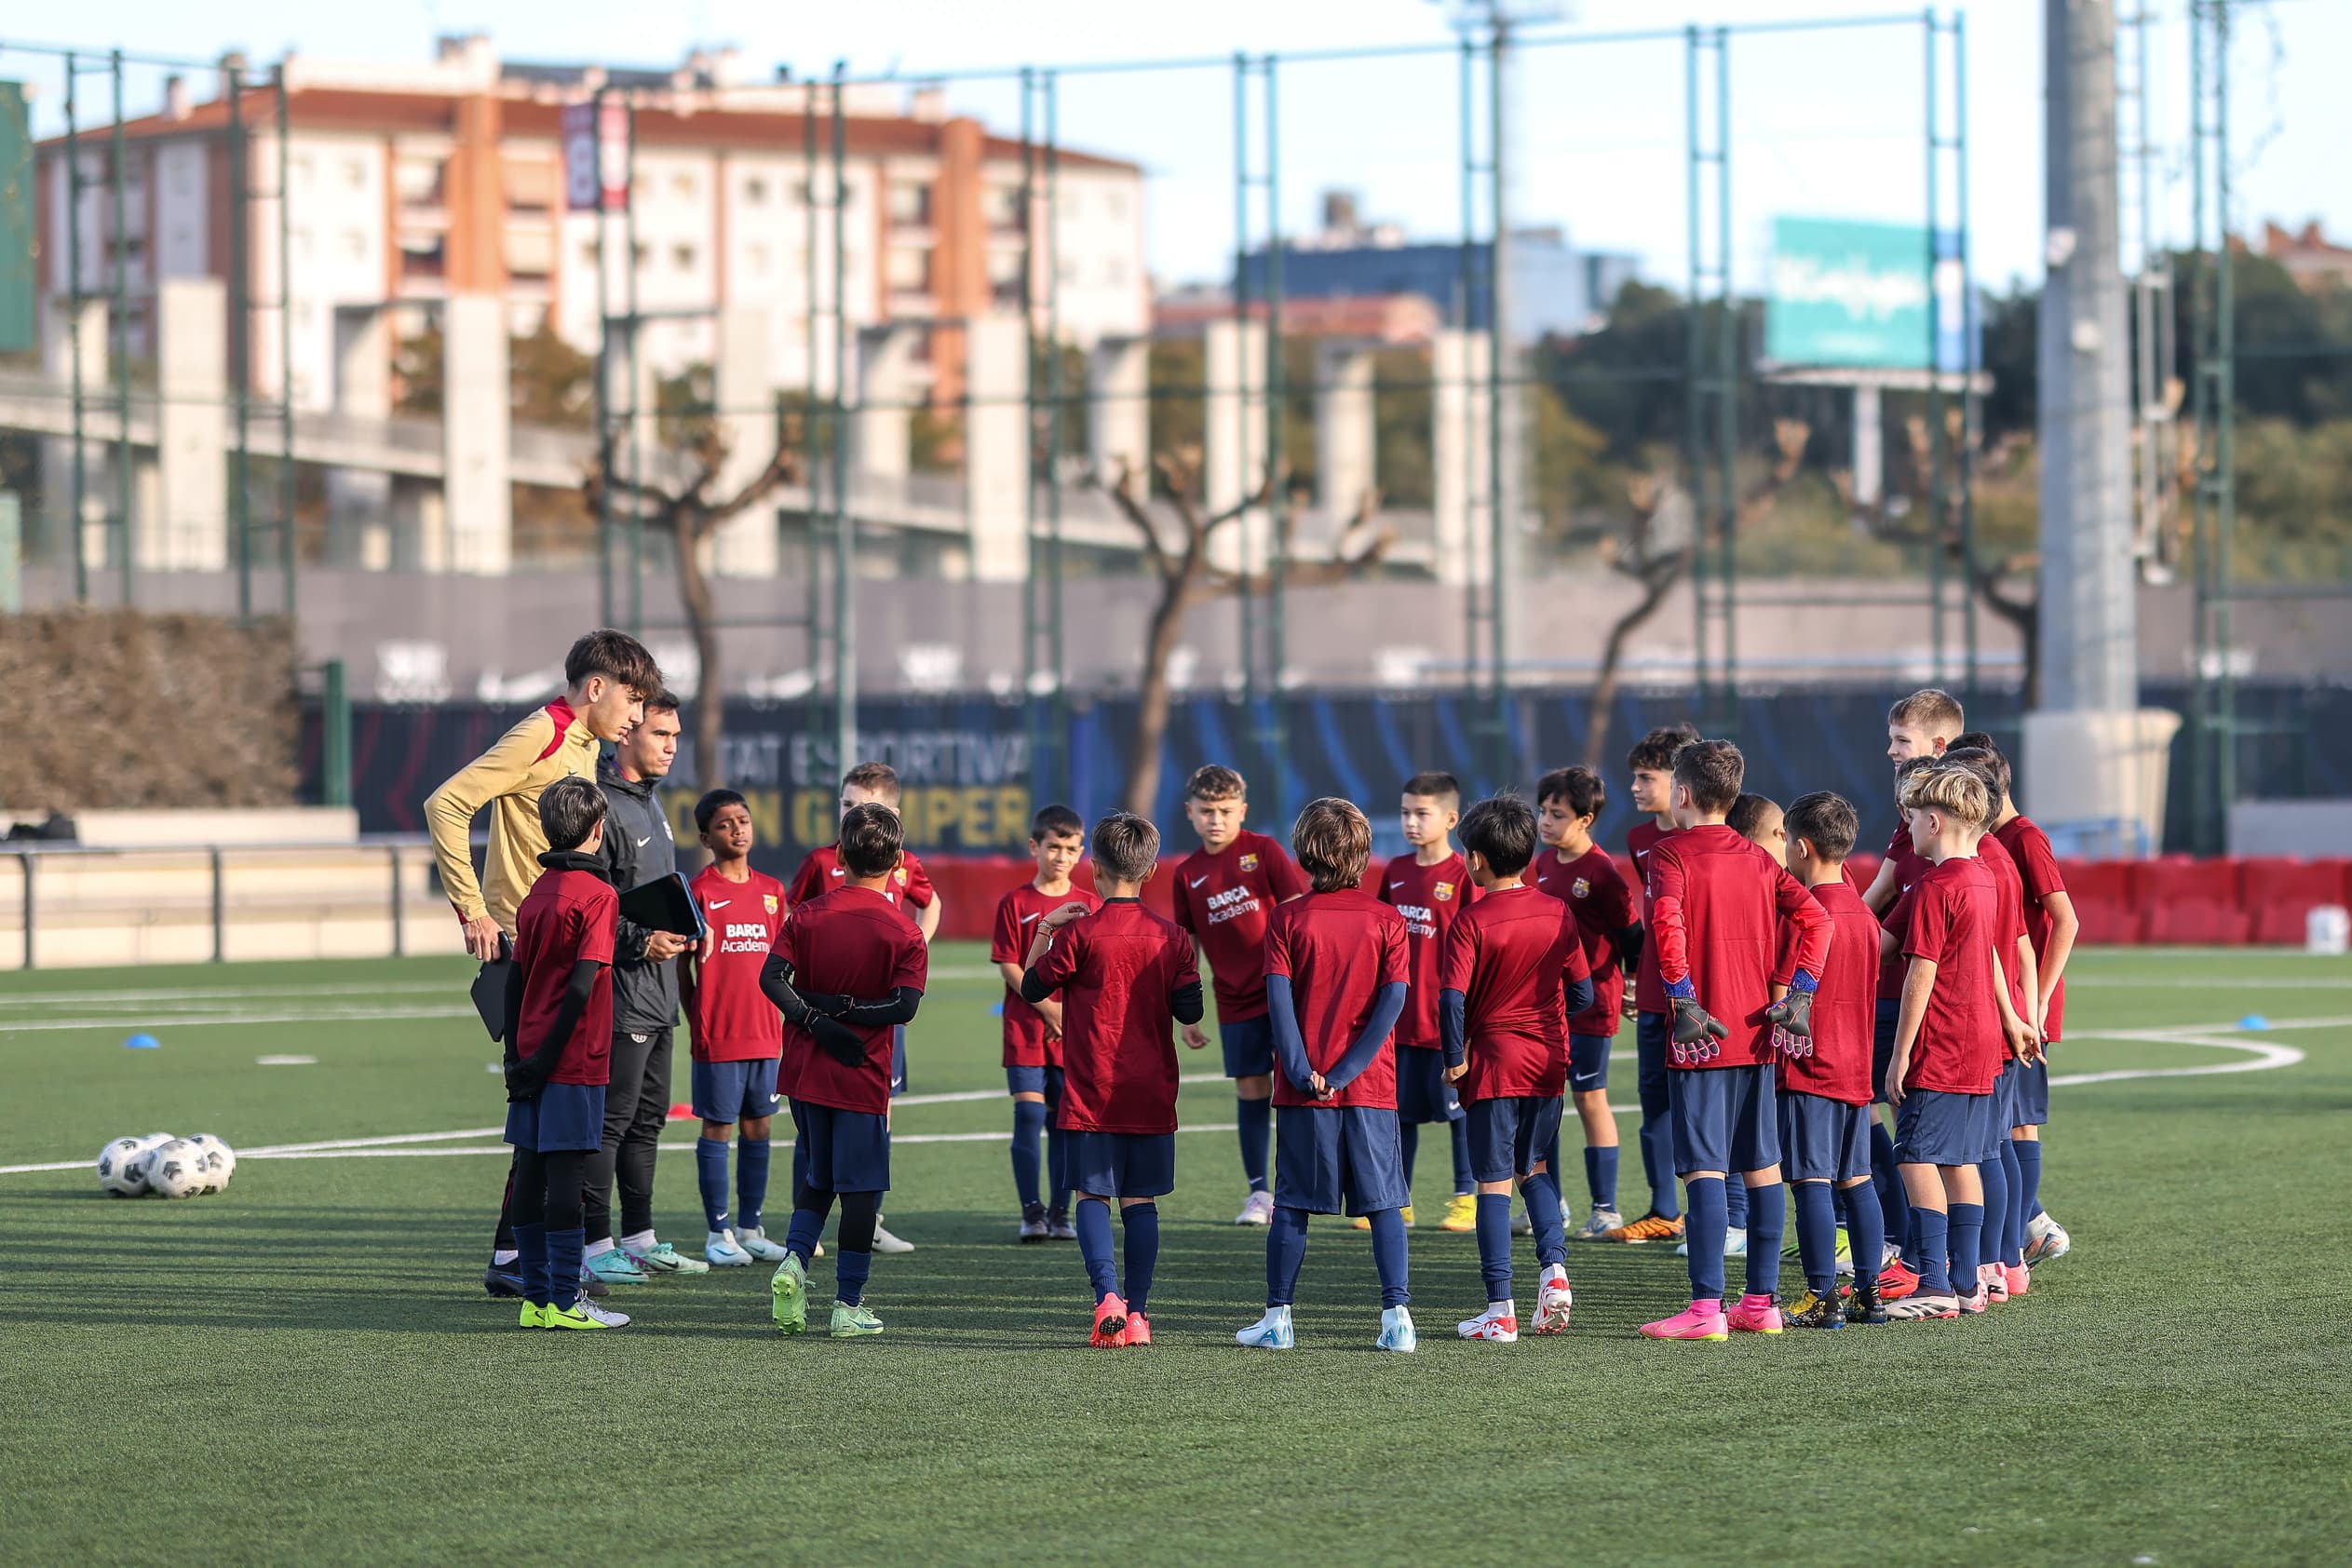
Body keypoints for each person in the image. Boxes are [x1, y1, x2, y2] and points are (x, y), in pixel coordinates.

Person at [426, 628, 660, 1300]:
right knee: (552, 1101)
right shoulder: (543, 735)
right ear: (595, 688)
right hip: (528, 946)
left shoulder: (585, 746)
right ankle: (531, 1262)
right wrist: (472, 908)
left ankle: (513, 1255)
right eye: (632, 698)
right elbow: (445, 803)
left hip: (565, 937)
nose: (638, 716)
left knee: (549, 1107)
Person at [1637, 739, 1830, 1342]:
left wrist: (1682, 996)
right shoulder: (1758, 858)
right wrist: (1800, 992)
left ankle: (1704, 1311)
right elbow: (1816, 920)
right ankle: (1761, 1305)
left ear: (1685, 793)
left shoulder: (1669, 853)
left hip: (1701, 1038)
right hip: (1756, 1033)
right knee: (1762, 1170)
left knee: (1703, 1172)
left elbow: (1666, 925)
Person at [1021, 812, 1206, 1348]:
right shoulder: (1172, 938)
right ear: (1149, 872)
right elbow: (1190, 1008)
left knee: (1092, 1196)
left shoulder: (1080, 934)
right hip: (1151, 1090)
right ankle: (1141, 1314)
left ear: (1094, 868)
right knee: (1141, 1201)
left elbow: (1033, 988)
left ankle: (1107, 1297)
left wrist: (1045, 930)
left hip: (1091, 1090)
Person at [1237, 799, 1416, 1353]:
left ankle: (1278, 1320)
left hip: (1302, 1089)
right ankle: (1397, 1319)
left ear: (1303, 853)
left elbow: (1278, 1001)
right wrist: (1345, 1071)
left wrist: (1302, 1069)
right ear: (1363, 854)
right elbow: (1392, 1003)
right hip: (1369, 1086)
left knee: (1292, 1203)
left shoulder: (1286, 918)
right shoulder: (1387, 919)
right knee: (1386, 1201)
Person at [762, 803, 929, 1338]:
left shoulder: (806, 915)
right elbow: (903, 1008)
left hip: (808, 1072)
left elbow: (772, 979)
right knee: (859, 1191)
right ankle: (847, 1305)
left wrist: (813, 1015)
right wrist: (852, 1014)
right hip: (862, 1074)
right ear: (899, 861)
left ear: (839, 855)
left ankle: (793, 1263)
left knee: (818, 1176)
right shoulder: (904, 931)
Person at [1882, 763, 2039, 1322]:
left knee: (1917, 1154)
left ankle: (1934, 1282)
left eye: (1913, 820)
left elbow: (1920, 974)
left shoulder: (1937, 886)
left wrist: (1900, 1055)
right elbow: (1993, 956)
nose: (1908, 831)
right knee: (1963, 1159)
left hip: (1943, 1040)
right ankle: (1969, 1280)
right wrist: (2013, 1019)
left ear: (1933, 820)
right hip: (1981, 1042)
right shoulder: (1983, 877)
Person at [1440, 796, 1596, 1344]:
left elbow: (1452, 1000)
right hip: (1549, 1062)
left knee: (1492, 1183)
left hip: (1493, 1065)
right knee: (1537, 1169)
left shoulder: (1470, 920)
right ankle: (1555, 1273)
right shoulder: (1557, 911)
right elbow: (1582, 991)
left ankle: (1499, 1308)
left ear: (1477, 860)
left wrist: (1454, 1058)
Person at [786, 762, 939, 1254]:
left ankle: (866, 1222)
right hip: (827, 1009)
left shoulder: (905, 864)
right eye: (848, 804)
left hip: (875, 1007)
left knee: (878, 1113)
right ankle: (827, 1257)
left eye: (866, 807)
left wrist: (918, 949)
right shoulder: (820, 863)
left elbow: (929, 903)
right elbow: (793, 918)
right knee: (815, 1126)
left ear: (893, 816)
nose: (855, 813)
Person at [583, 692, 710, 1284]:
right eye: (661, 734)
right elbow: (595, 905)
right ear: (626, 733)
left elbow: (654, 892)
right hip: (624, 993)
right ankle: (595, 1243)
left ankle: (639, 1237)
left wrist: (692, 928)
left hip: (661, 993)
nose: (671, 746)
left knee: (649, 1119)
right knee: (613, 1120)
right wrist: (639, 942)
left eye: (677, 736)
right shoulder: (603, 803)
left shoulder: (651, 803)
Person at [499, 777, 629, 1331]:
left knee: (530, 1173)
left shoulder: (537, 893)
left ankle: (535, 1300)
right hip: (572, 1059)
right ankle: (566, 1299)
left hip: (529, 1056)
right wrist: (548, 1059)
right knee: (568, 1179)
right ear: (597, 831)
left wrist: (516, 1060)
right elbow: (581, 986)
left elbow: (515, 982)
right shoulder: (599, 895)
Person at [1169, 764, 1310, 1225]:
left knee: (1298, 1087)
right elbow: (1186, 943)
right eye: (1206, 810)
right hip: (1233, 999)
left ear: (1242, 810)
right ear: (1189, 812)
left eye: (1225, 811)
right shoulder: (1186, 873)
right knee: (1252, 1090)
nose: (1216, 819)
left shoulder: (1263, 851)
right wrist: (1188, 1012)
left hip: (1285, 991)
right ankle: (1259, 1194)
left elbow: (1295, 915)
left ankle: (1300, 1187)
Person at [1777, 791, 1889, 1329]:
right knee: (1858, 1180)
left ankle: (1823, 1297)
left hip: (1809, 1065)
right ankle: (1871, 1293)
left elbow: (1780, 993)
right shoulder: (1865, 916)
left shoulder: (1803, 914)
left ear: (1801, 847)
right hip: (1855, 1066)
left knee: (1811, 1184)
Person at [1967, 733, 2079, 1271]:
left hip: (2023, 1001)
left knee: (2017, 1124)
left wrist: (2036, 1007)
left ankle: (2017, 1241)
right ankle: (2025, 1232)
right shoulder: (1988, 839)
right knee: (2004, 1123)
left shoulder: (2023, 838)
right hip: (2006, 996)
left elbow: (2065, 920)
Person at [1940, 744, 2042, 1305]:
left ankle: (1992, 1260)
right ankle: (2004, 1261)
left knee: (1986, 1148)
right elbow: (2017, 948)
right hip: (1994, 1020)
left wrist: (2023, 1016)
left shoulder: (1988, 863)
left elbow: (2008, 951)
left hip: (1978, 1023)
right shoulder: (1989, 860)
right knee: (1991, 1145)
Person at [1530, 765, 1642, 1241]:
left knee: (1589, 1097)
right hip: (1547, 1005)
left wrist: (1632, 984)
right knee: (1544, 1101)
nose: (1545, 821)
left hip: (1592, 1004)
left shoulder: (1601, 872)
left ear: (1586, 819)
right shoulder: (1543, 864)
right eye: (1543, 811)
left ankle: (1606, 1208)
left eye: (1557, 813)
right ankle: (1548, 1203)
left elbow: (1632, 935)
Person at [681, 789, 791, 1267]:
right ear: (706, 837)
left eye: (743, 820)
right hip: (719, 1033)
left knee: (760, 1127)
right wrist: (698, 1017)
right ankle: (717, 1232)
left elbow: (784, 963)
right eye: (726, 824)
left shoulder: (772, 891)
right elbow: (681, 970)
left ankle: (750, 1227)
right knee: (718, 1128)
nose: (738, 829)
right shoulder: (699, 892)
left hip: (767, 1032)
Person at [1602, 723, 1700, 1246]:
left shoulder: (1704, 837)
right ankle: (1664, 1210)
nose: (1635, 787)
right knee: (1654, 1100)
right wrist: (1639, 979)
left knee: (1707, 1106)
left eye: (1646, 777)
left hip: (1701, 997)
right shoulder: (1640, 839)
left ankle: (1729, 1217)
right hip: (1658, 995)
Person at [1374, 771, 1480, 1234]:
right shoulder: (1395, 872)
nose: (1411, 822)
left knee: (1458, 1115)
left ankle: (1466, 1198)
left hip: (1446, 1023)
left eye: (1422, 813)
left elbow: (1479, 942)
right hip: (1399, 1020)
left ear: (1451, 818)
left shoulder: (1463, 875)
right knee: (1400, 1115)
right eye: (1405, 813)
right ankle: (1399, 1199)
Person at [992, 804, 1097, 1242]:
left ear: (1081, 853)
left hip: (1071, 1033)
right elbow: (1010, 965)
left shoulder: (1088, 906)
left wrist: (1065, 1014)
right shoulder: (1015, 902)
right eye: (1053, 846)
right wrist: (1049, 1009)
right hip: (1026, 1026)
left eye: (1071, 848)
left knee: (1063, 1124)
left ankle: (1060, 1211)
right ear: (1035, 846)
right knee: (1029, 1113)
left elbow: (1091, 970)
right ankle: (1030, 1212)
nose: (1061, 856)